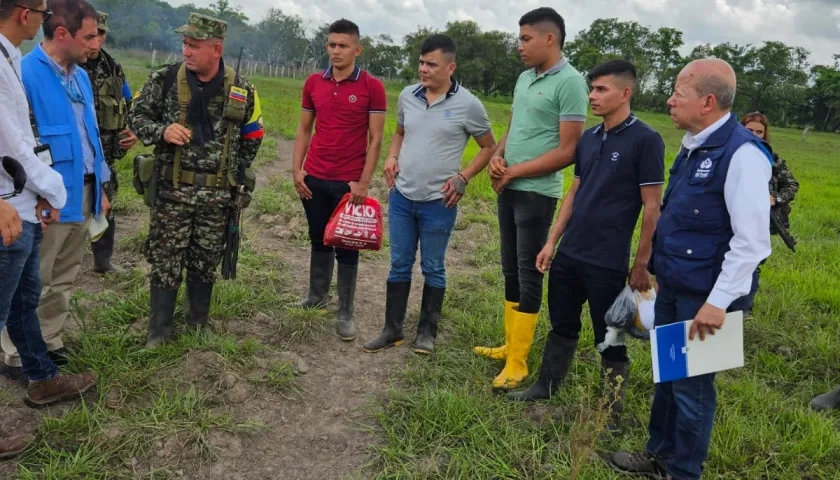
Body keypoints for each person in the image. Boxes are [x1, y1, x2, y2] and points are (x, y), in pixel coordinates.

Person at [609, 58, 773, 480]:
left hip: (706, 298)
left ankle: (683, 471)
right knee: (668, 376)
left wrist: (717, 304)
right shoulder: (694, 145)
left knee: (692, 388)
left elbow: (752, 242)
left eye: (679, 93)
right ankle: (658, 456)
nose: (670, 100)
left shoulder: (742, 154)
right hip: (676, 286)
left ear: (708, 101)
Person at [507, 60, 665, 430]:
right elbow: (574, 192)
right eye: (591, 88)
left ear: (625, 93)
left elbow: (652, 207)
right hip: (570, 254)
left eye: (601, 89)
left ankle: (611, 409)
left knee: (609, 334)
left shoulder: (646, 140)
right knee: (561, 323)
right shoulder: (590, 138)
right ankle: (546, 385)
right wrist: (551, 242)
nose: (592, 96)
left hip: (607, 261)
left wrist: (642, 263)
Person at [128, 12, 264, 348]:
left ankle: (197, 324)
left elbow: (254, 131)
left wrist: (236, 174)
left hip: (217, 198)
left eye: (194, 45)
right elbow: (136, 114)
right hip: (173, 192)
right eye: (184, 44)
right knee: (166, 259)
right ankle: (159, 332)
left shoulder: (241, 88)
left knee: (205, 261)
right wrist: (161, 130)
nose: (186, 51)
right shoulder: (164, 79)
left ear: (216, 49)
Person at [0, 0, 99, 447]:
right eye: (41, 9)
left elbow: (30, 138)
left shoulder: (13, 60)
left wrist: (42, 191)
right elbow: (14, 142)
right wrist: (53, 190)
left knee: (27, 299)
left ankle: (40, 375)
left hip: (25, 200)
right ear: (25, 13)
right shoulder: (15, 66)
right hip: (12, 205)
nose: (44, 16)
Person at [474, 7, 588, 390]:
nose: (519, 46)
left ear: (550, 39)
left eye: (525, 39)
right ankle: (510, 346)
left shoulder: (570, 83)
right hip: (510, 186)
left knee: (528, 272)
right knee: (509, 268)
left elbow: (569, 150)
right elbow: (514, 127)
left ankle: (519, 363)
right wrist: (498, 157)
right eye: (519, 38)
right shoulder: (525, 78)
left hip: (536, 194)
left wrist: (516, 172)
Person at [362, 34, 495, 355]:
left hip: (439, 202)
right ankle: (392, 329)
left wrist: (463, 177)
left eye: (430, 64)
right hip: (402, 198)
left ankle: (426, 332)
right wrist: (392, 157)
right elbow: (400, 133)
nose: (423, 69)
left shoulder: (469, 105)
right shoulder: (408, 96)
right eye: (421, 62)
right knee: (399, 264)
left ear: (450, 67)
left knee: (433, 266)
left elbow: (489, 146)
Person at [291, 18, 386, 341]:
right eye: (331, 44)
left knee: (347, 244)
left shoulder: (372, 87)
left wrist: (362, 182)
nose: (336, 51)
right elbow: (304, 129)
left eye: (343, 45)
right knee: (318, 238)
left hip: (348, 184)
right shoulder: (313, 82)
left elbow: (375, 140)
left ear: (357, 49)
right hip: (314, 177)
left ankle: (345, 311)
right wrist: (297, 169)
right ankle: (316, 296)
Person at [82, 10, 138, 274]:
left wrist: (131, 131)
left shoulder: (113, 66)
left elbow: (128, 103)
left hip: (106, 152)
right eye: (93, 33)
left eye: (102, 33)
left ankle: (102, 261)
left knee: (106, 203)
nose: (97, 39)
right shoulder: (70, 63)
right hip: (77, 149)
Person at [739, 112, 799, 319]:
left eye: (759, 131)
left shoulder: (772, 159)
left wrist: (776, 199)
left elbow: (792, 184)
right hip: (731, 218)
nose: (755, 135)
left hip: (760, 220)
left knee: (753, 263)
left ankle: (744, 308)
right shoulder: (730, 154)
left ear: (765, 135)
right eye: (749, 131)